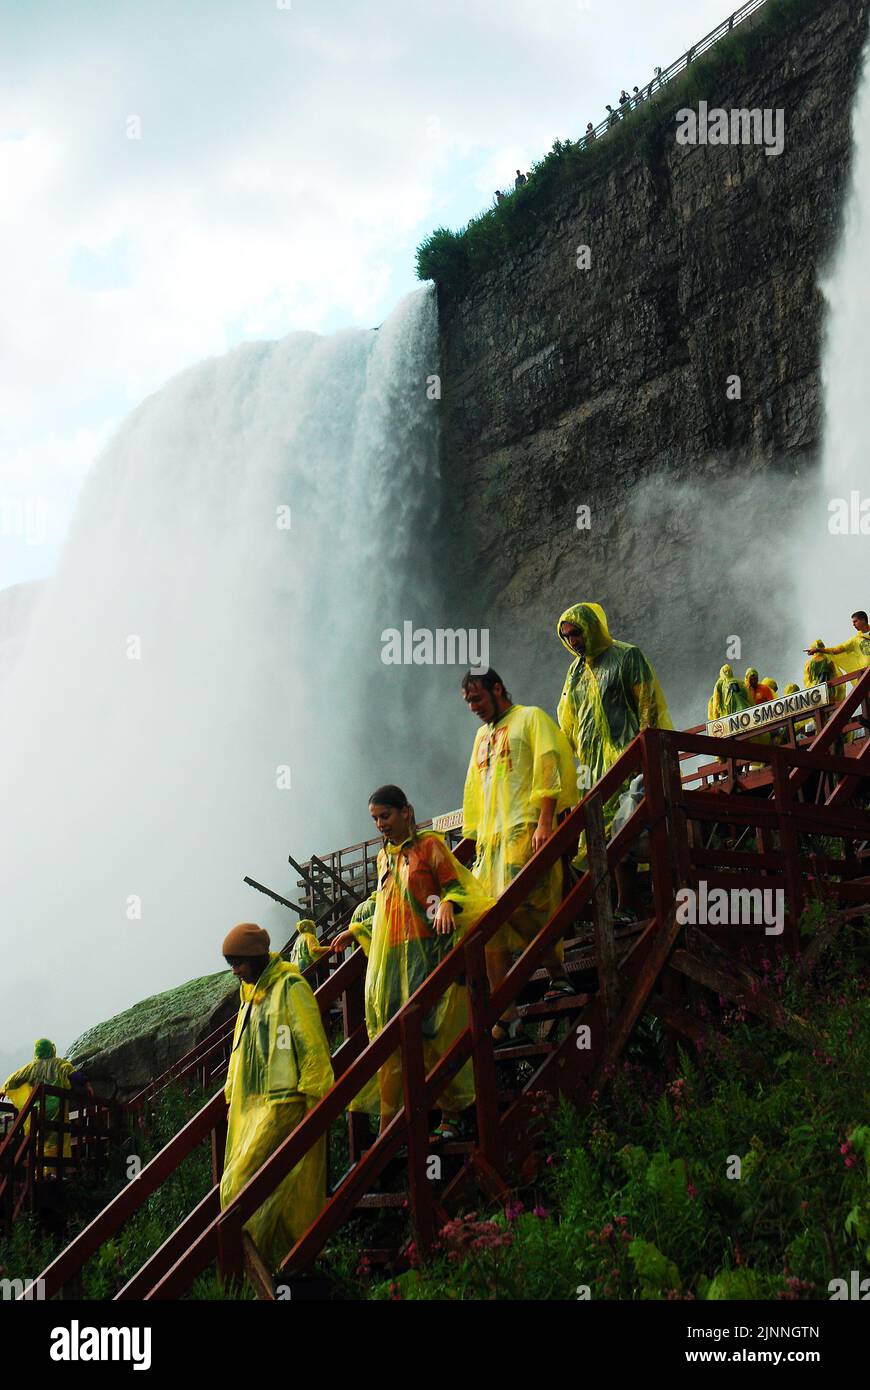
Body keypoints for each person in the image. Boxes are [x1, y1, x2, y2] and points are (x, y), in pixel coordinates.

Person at [331, 785, 492, 1141]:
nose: (380, 825)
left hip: (429, 951)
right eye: (374, 819)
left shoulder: (430, 847)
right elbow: (386, 906)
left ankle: (454, 1114)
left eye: (384, 816)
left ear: (405, 811)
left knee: (437, 1034)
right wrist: (355, 929)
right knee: (400, 1039)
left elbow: (456, 885)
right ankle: (402, 1126)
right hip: (395, 959)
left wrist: (448, 903)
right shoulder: (384, 858)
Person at [461, 668, 578, 1042]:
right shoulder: (482, 737)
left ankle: (558, 976)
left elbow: (549, 766)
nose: (474, 707)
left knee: (528, 904)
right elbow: (475, 792)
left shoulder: (531, 719)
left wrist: (546, 820)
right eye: (468, 702)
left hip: (525, 828)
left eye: (477, 698)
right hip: (491, 842)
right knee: (485, 923)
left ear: (497, 688)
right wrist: (477, 841)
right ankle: (506, 1012)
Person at [220, 922, 334, 1272]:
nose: (235, 970)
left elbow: (311, 1042)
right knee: (256, 1187)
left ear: (255, 956)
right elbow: (240, 1052)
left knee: (238, 1187)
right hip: (254, 1107)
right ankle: (278, 1266)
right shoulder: (251, 996)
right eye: (231, 964)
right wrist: (230, 1096)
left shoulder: (290, 986)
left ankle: (252, 1269)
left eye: (238, 962)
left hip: (284, 1104)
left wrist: (316, 1095)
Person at [557, 603, 672, 853]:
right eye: (566, 636)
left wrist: (643, 751)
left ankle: (646, 887)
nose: (572, 641)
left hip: (625, 757)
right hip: (591, 768)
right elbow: (568, 720)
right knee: (600, 836)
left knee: (630, 830)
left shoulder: (627, 656)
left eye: (576, 633)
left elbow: (647, 705)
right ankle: (614, 891)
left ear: (591, 628)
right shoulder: (575, 673)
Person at [1, 1040, 91, 1175]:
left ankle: (41, 1173)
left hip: (37, 1111)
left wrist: (3, 1090)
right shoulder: (58, 1064)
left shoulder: (31, 1067)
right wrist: (87, 1084)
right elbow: (74, 1074)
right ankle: (55, 1172)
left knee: (40, 1140)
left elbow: (14, 1078)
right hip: (57, 1109)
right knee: (56, 1139)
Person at [806, 612, 870, 676]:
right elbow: (836, 650)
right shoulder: (855, 640)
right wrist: (818, 650)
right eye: (853, 622)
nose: (853, 624)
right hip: (866, 674)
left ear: (863, 620)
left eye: (855, 621)